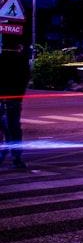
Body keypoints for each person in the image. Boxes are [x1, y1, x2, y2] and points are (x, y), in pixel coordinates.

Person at [0, 42, 32, 170]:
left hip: (1, 99)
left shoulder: (1, 59)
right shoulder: (21, 61)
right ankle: (16, 159)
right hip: (14, 100)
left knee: (7, 129)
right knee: (14, 130)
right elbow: (25, 79)